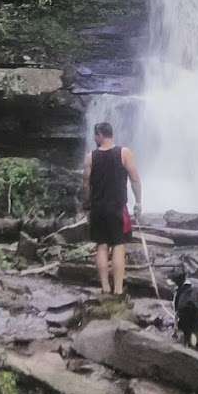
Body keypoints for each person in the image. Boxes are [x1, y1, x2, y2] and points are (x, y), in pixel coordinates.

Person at [82, 121, 142, 295]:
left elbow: (86, 184)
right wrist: (138, 202)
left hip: (98, 207)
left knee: (101, 245)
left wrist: (86, 204)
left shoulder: (90, 157)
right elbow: (135, 179)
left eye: (95, 135)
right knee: (118, 245)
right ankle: (117, 289)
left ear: (100, 135)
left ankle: (104, 287)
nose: (94, 138)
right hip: (117, 208)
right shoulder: (124, 153)